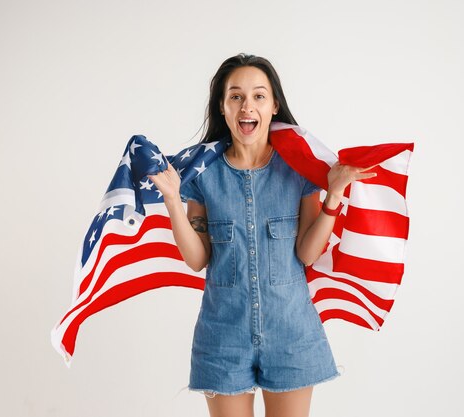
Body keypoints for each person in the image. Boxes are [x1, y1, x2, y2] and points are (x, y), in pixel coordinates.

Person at [148, 53, 376, 417]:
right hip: (222, 336)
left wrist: (333, 196)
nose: (246, 106)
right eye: (235, 96)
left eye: (258, 96)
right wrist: (174, 199)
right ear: (222, 108)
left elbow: (306, 253)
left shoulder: (299, 169)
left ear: (273, 106)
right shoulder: (202, 174)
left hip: (292, 333)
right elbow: (197, 259)